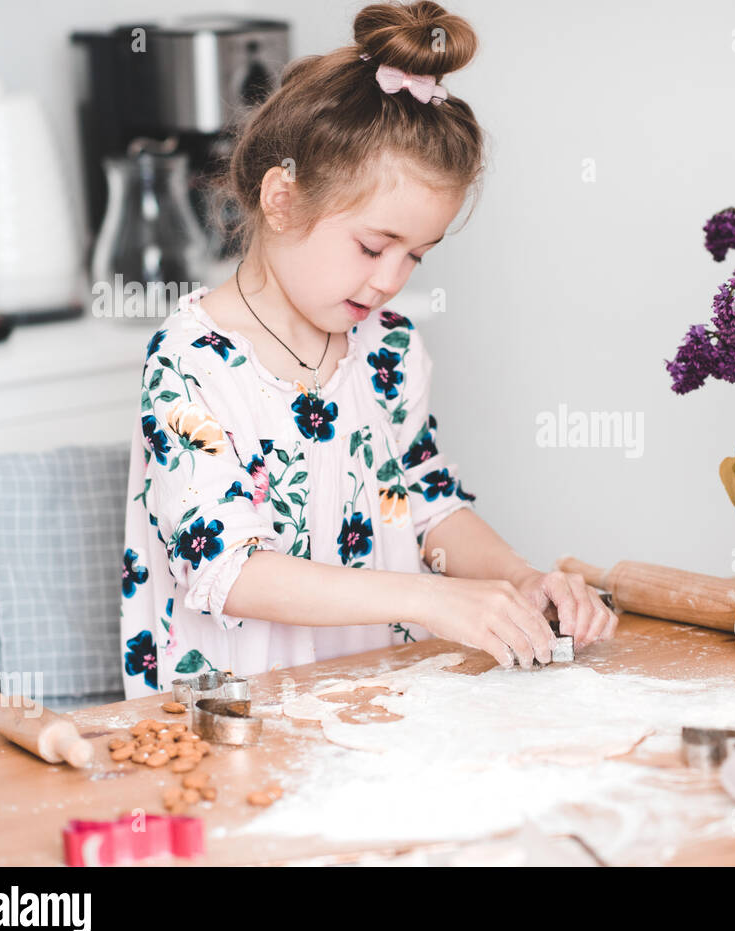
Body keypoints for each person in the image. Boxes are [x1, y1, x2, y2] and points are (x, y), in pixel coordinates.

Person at [118, 1, 616, 699]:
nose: (389, 280)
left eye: (416, 255)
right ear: (283, 200)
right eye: (372, 246)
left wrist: (521, 579)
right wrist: (429, 601)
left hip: (370, 701)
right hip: (231, 725)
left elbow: (428, 508)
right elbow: (226, 571)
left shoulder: (388, 350)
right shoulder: (191, 362)